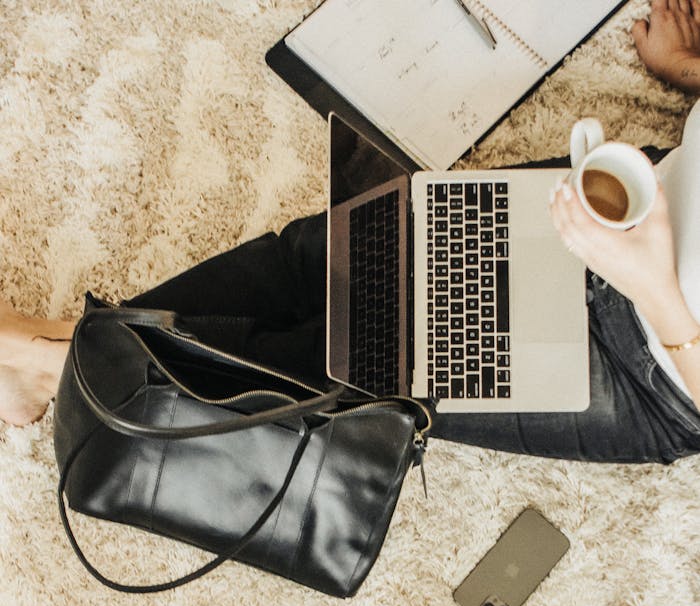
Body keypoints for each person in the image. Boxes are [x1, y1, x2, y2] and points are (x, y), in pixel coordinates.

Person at [1, 0, 699, 463]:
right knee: (322, 257)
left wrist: (654, 287)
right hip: (637, 199)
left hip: (652, 355)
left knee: (342, 361)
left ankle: (49, 360)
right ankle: (55, 355)